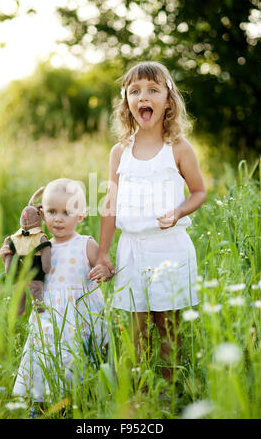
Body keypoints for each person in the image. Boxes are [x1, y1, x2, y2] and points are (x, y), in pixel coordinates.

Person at [89, 61, 206, 380]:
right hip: (132, 249)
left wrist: (178, 211)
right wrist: (103, 253)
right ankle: (140, 394)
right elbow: (110, 205)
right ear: (126, 101)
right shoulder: (120, 152)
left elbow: (198, 192)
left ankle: (167, 392)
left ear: (168, 100)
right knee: (135, 328)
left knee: (168, 329)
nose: (144, 96)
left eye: (153, 90)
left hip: (169, 248)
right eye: (135, 90)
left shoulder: (178, 148)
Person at [0, 178, 110, 403]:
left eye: (67, 212)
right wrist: (8, 258)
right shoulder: (38, 249)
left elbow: (107, 267)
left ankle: (83, 399)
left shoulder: (85, 244)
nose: (58, 218)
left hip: (80, 317)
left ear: (80, 215)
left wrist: (103, 271)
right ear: (41, 213)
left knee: (81, 357)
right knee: (46, 356)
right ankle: (43, 400)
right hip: (50, 317)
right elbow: (22, 277)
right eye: (52, 211)